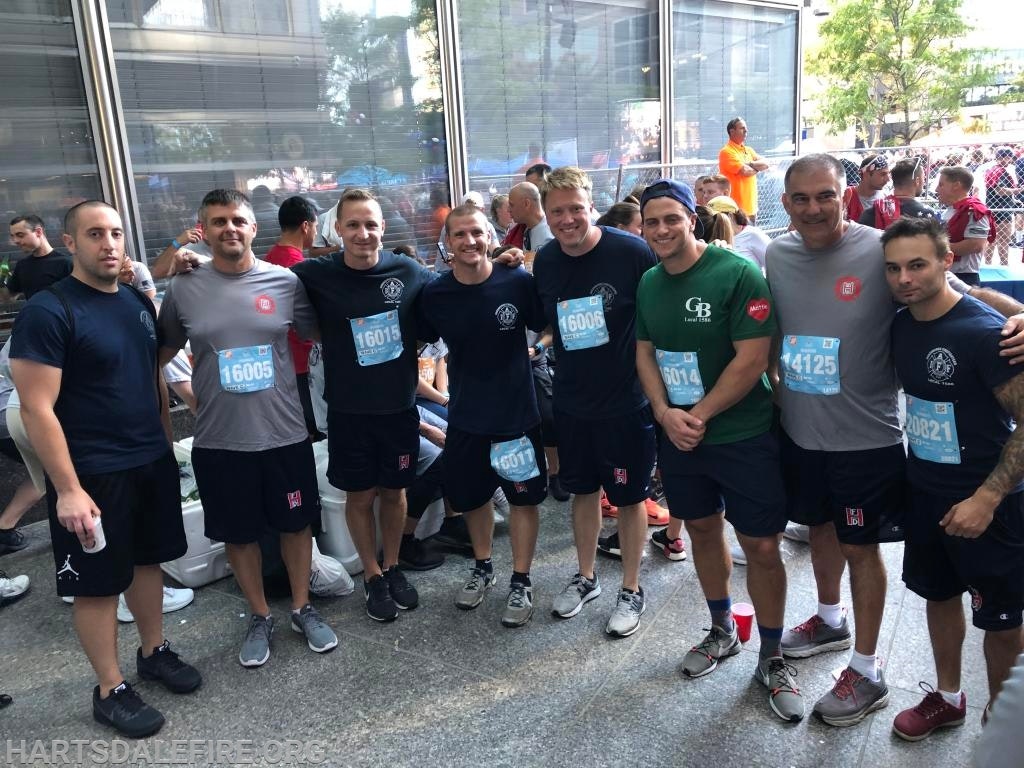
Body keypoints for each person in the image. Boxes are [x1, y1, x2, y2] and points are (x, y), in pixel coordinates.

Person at [769, 154, 1024, 728]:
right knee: (826, 530)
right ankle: (831, 620)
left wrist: (1022, 317)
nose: (814, 208)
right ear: (785, 203)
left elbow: (965, 294)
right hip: (808, 433)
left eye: (825, 196)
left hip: (870, 441)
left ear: (847, 194)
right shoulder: (778, 255)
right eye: (802, 198)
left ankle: (869, 667)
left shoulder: (884, 251)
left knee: (869, 552)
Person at [10, 200, 201, 738]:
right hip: (92, 472)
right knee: (96, 584)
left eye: (116, 233)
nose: (109, 243)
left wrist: (166, 447)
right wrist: (67, 490)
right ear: (70, 242)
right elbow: (36, 407)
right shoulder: (49, 310)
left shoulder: (135, 302)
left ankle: (153, 651)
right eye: (95, 234)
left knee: (147, 564)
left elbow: (151, 376)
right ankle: (108, 688)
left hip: (148, 458)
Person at [158, 189, 336, 667]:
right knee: (238, 535)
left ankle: (302, 606)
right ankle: (260, 615)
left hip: (284, 433)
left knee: (296, 525)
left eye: (237, 220)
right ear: (204, 229)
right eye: (218, 222)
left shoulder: (285, 282)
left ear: (253, 227)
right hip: (220, 438)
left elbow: (320, 332)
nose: (229, 229)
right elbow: (160, 352)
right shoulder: (183, 288)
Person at [883, 216, 1024, 740]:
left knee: (1001, 621)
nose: (904, 278)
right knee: (937, 596)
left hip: (991, 505)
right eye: (894, 268)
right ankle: (947, 698)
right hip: (926, 496)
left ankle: (1005, 723)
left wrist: (987, 499)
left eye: (917, 264)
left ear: (946, 262)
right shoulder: (901, 322)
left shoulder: (986, 334)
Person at [292, 188, 432, 623]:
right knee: (360, 494)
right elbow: (266, 278)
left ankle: (391, 566)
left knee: (394, 491)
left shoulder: (409, 271)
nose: (363, 233)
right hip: (349, 410)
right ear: (338, 230)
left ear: (383, 228)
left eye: (371, 224)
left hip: (398, 406)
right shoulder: (316, 273)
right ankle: (370, 573)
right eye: (353, 224)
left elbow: (452, 292)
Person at [532, 166, 658, 637]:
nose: (568, 219)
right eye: (557, 211)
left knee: (630, 497)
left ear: (591, 205)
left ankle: (631, 587)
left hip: (626, 401)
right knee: (582, 492)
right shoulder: (545, 261)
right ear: (546, 214)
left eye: (576, 208)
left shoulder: (631, 251)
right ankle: (586, 577)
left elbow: (657, 309)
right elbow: (550, 320)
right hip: (572, 401)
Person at [417, 204, 548, 627]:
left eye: (477, 233)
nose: (469, 241)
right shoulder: (436, 295)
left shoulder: (516, 281)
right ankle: (483, 566)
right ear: (448, 244)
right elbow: (420, 344)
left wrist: (540, 347)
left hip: (516, 419)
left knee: (523, 500)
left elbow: (546, 325)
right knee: (473, 500)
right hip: (467, 420)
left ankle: (522, 579)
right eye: (460, 235)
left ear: (491, 238)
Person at [264, 196, 320, 438]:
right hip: (304, 362)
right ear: (306, 226)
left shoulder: (268, 259)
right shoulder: (301, 268)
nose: (316, 232)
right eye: (316, 226)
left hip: (278, 360)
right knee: (316, 430)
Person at [937, 166, 995, 286]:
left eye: (941, 185)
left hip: (963, 277)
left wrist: (934, 246)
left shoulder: (975, 210)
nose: (937, 189)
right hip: (947, 272)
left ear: (956, 185)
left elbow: (975, 245)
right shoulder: (949, 211)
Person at [2, 215, 72, 300]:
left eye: (20, 235)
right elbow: (8, 297)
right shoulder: (23, 265)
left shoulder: (66, 263)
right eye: (13, 236)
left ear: (38, 232)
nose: (15, 241)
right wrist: (1, 279)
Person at [857, 157, 936, 230]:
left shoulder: (871, 212)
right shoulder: (927, 215)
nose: (924, 182)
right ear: (917, 181)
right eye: (924, 178)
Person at [718, 118, 768, 221]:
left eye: (746, 128)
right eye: (742, 128)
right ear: (732, 131)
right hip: (735, 211)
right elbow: (745, 171)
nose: (746, 131)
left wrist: (750, 164)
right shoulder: (727, 152)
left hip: (751, 209)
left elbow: (766, 164)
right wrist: (757, 168)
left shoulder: (748, 150)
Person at [705, 195, 771, 272]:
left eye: (716, 218)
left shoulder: (752, 234)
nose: (713, 222)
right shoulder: (713, 237)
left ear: (730, 216)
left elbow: (773, 264)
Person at [844, 154, 890, 223]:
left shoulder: (886, 198)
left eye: (888, 174)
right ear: (866, 174)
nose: (888, 179)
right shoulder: (846, 195)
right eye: (883, 174)